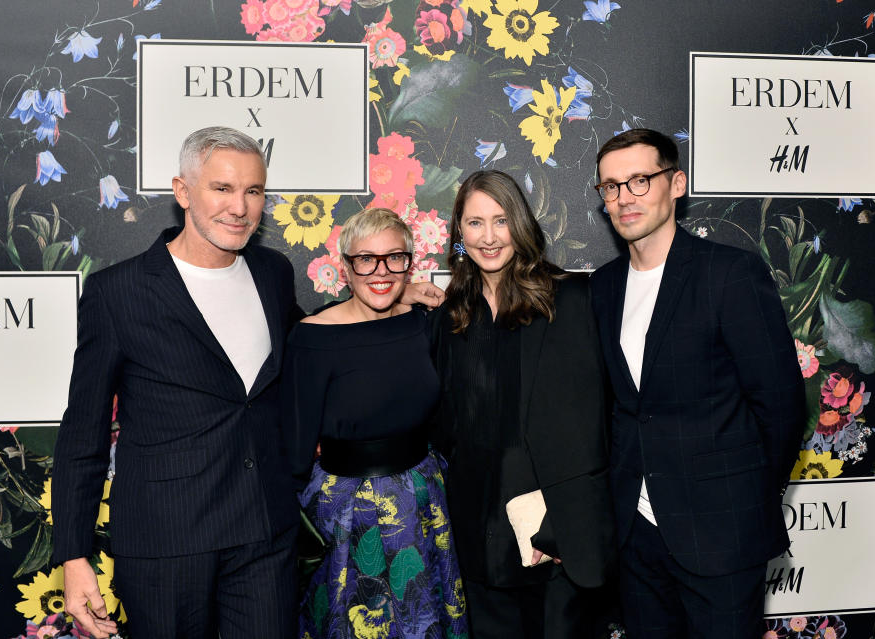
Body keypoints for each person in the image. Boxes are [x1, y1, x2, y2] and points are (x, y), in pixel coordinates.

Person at [51, 127, 444, 639]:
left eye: (253, 191)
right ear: (183, 191)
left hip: (265, 537)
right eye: (222, 188)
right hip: (167, 547)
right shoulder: (117, 292)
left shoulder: (271, 272)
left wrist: (388, 293)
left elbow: (320, 341)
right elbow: (83, 434)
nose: (240, 207)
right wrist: (74, 556)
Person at [588, 128, 806, 637]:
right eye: (611, 187)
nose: (624, 197)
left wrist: (736, 495)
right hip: (635, 535)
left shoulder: (729, 274)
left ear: (677, 183)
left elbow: (781, 407)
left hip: (721, 531)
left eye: (640, 181)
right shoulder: (602, 287)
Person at [430, 169, 615, 639]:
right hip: (473, 527)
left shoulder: (568, 300)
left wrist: (557, 525)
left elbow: (592, 426)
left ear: (522, 225)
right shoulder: (451, 315)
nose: (488, 237)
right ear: (459, 231)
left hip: (550, 532)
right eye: (474, 223)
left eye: (500, 221)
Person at [282, 207, 468, 639]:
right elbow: (292, 453)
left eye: (394, 258)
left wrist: (404, 296)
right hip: (345, 513)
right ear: (346, 267)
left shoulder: (422, 322)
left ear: (410, 263)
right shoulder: (313, 337)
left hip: (423, 500)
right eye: (366, 259)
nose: (380, 271)